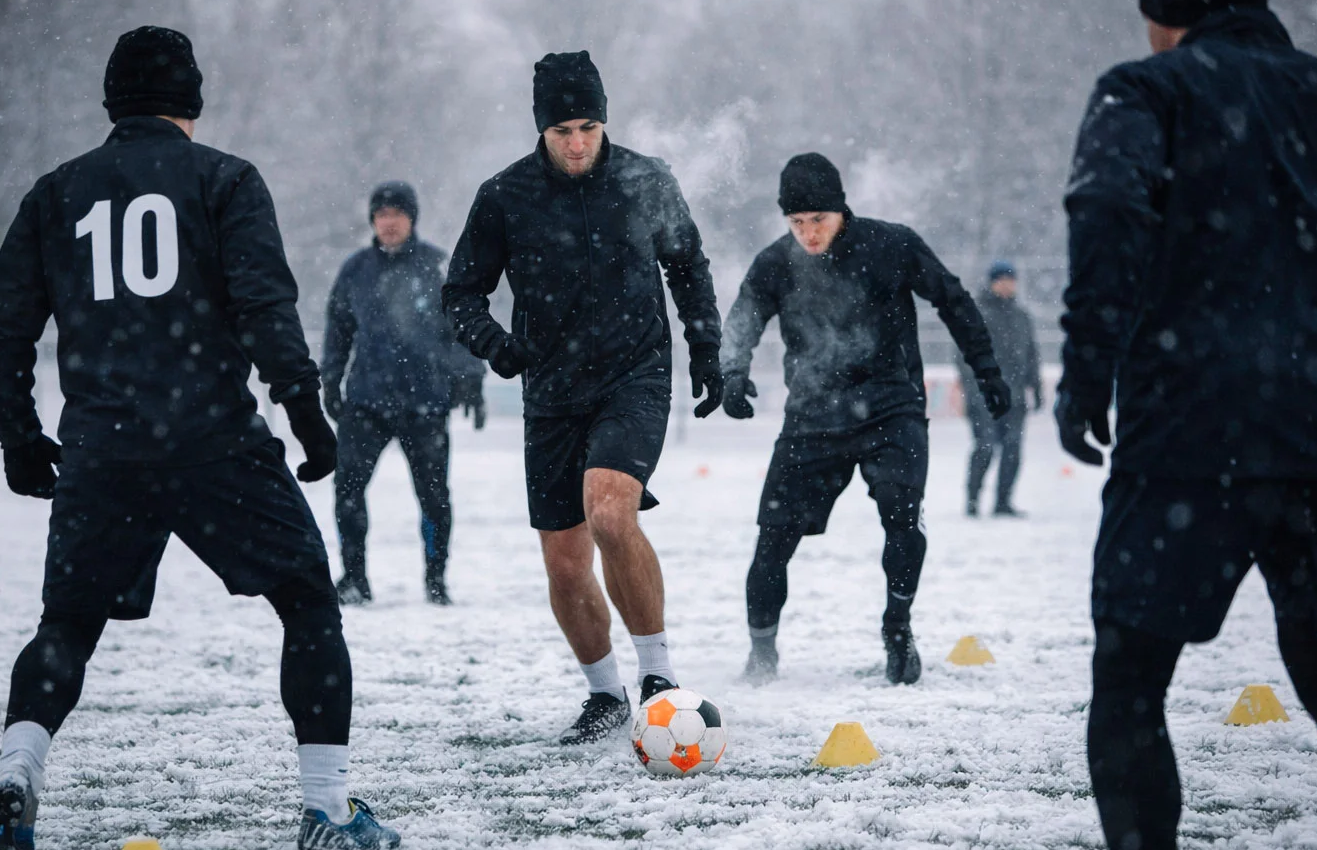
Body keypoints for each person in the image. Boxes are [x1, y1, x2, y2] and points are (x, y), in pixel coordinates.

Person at [0, 27, 399, 850]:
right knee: (309, 601)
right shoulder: (226, 179)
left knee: (65, 626)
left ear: (111, 103)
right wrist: (308, 417)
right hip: (213, 440)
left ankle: (17, 772)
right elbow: (264, 308)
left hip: (104, 447)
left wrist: (19, 436)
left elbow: (3, 329)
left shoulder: (56, 192)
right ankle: (326, 808)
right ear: (191, 104)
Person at [1056, 0, 1317, 850]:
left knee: (1131, 682)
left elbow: (1108, 212)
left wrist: (1086, 367)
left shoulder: (1143, 87)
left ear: (1164, 14)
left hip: (1190, 431)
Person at [443, 51, 724, 744]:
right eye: (563, 128)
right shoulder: (504, 195)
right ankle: (605, 697)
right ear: (541, 129)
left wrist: (708, 347)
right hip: (552, 392)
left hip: (636, 375)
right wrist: (496, 344)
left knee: (608, 510)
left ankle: (659, 676)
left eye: (589, 126)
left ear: (604, 122)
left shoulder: (645, 178)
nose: (576, 142)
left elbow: (687, 267)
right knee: (566, 566)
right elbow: (460, 294)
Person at [721, 153, 1010, 686]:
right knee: (771, 540)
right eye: (797, 222)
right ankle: (762, 652)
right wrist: (731, 374)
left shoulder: (892, 245)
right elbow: (742, 317)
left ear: (842, 211)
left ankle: (897, 628)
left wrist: (986, 370)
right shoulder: (775, 262)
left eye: (819, 221)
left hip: (890, 409)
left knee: (903, 521)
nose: (808, 233)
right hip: (811, 417)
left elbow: (953, 299)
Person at [321, 180, 486, 607]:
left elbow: (461, 327)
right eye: (381, 215)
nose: (389, 222)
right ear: (372, 221)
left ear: (412, 219)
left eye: (397, 214)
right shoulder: (355, 270)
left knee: (434, 497)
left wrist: (472, 378)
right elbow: (338, 331)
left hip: (424, 403)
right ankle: (354, 578)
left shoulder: (436, 266)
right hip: (367, 402)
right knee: (347, 491)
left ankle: (436, 580)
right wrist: (330, 381)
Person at [957, 260, 1042, 517]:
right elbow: (964, 356)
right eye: (1001, 280)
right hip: (985, 396)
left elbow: (1031, 355)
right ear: (992, 282)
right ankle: (972, 501)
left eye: (1010, 280)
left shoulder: (1022, 317)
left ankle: (1003, 502)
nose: (1006, 285)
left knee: (1013, 449)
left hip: (1015, 397)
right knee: (985, 446)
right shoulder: (976, 313)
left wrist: (1035, 387)